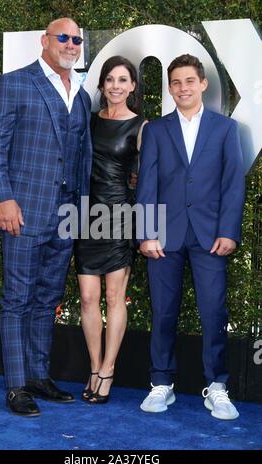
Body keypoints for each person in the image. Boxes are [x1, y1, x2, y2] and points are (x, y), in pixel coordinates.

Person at [0, 18, 92, 416]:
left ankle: (37, 376)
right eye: (63, 37)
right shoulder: (12, 83)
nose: (70, 43)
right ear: (44, 41)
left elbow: (82, 157)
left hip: (65, 214)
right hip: (23, 211)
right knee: (17, 298)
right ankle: (15, 387)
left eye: (76, 39)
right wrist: (3, 199)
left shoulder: (80, 94)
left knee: (47, 299)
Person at [137, 54, 245, 420]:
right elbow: (147, 185)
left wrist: (229, 231)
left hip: (210, 237)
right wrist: (146, 232)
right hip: (164, 237)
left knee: (214, 311)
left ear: (203, 84)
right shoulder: (155, 130)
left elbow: (233, 185)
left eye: (189, 81)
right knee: (163, 311)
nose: (182, 88)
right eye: (176, 83)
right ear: (170, 88)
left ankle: (217, 385)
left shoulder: (225, 129)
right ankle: (160, 383)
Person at [74, 56, 146, 404]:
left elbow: (149, 178)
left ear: (133, 86)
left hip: (120, 215)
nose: (115, 86)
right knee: (88, 297)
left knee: (115, 297)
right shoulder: (87, 122)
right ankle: (92, 367)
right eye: (110, 80)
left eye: (123, 80)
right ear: (101, 85)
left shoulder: (142, 126)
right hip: (85, 213)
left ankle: (108, 369)